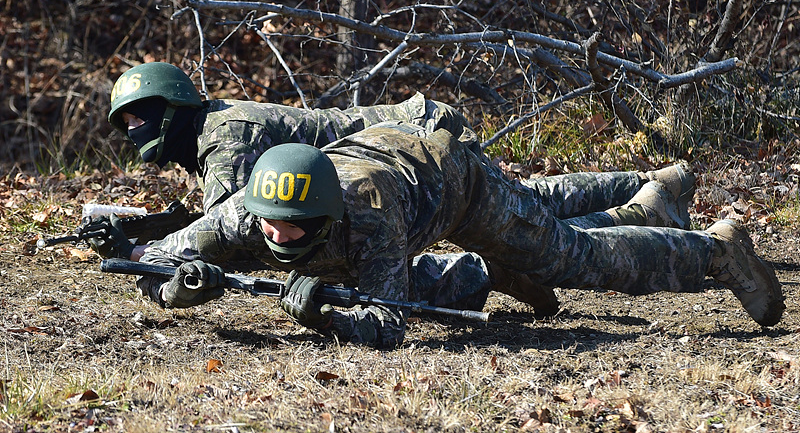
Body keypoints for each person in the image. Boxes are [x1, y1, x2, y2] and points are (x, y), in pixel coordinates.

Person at [93, 61, 695, 317]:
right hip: (392, 162)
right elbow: (226, 229)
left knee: (534, 219)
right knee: (531, 209)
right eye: (125, 122)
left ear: (173, 107)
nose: (134, 131)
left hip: (416, 154)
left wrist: (166, 259)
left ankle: (648, 192)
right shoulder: (218, 133)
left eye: (141, 115)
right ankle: (644, 195)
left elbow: (236, 228)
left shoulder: (225, 138)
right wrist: (145, 246)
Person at [133, 122, 785, 348]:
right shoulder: (247, 209)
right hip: (396, 161)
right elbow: (149, 260)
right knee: (548, 231)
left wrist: (329, 319)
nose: (274, 235)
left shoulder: (367, 213)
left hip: (454, 184)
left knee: (573, 257)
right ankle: (652, 197)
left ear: (327, 215)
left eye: (292, 227)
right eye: (267, 224)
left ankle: (717, 249)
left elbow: (388, 323)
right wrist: (179, 291)